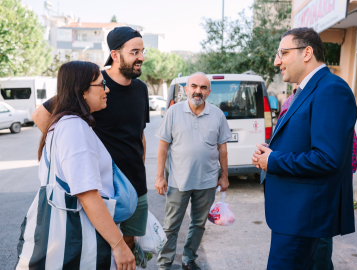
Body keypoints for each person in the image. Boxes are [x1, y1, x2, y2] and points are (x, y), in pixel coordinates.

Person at [32, 27, 150, 256]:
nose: (141, 57)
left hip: (135, 184)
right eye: (135, 51)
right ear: (115, 55)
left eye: (143, 51)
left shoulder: (141, 89)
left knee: (129, 246)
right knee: (102, 249)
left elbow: (139, 134)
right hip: (102, 190)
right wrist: (72, 152)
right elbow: (40, 115)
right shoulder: (93, 84)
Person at [252, 27, 357, 270]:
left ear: (307, 52)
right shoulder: (307, 90)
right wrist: (270, 151)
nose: (277, 61)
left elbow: (328, 158)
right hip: (293, 215)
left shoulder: (331, 89)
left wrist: (274, 160)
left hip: (303, 217)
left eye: (283, 53)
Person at [17, 61, 136, 269]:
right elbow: (87, 194)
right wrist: (119, 245)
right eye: (101, 85)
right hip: (80, 237)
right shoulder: (74, 127)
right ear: (82, 91)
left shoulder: (60, 125)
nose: (107, 90)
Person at [276, 88, 357, 270]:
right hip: (295, 188)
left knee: (320, 244)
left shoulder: (326, 97)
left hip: (319, 189)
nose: (279, 62)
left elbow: (347, 147)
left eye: (283, 56)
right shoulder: (290, 100)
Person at [154, 72, 232, 270]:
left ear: (209, 91)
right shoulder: (173, 112)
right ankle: (164, 264)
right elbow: (163, 146)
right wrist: (160, 177)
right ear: (186, 89)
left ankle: (189, 259)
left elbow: (222, 147)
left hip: (207, 182)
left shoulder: (217, 114)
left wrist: (224, 176)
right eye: (194, 86)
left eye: (203, 87)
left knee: (198, 225)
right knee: (171, 226)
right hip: (178, 182)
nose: (198, 91)